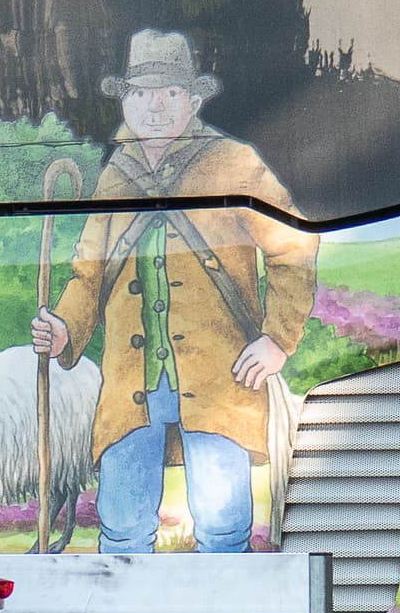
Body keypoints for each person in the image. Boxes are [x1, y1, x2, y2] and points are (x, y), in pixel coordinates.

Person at [27, 30, 312, 553]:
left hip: (220, 375)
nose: (154, 108)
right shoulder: (116, 174)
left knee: (224, 526)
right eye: (141, 95)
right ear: (125, 102)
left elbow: (292, 248)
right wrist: (64, 328)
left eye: (169, 95)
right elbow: (88, 274)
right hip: (131, 384)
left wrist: (276, 339)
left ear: (194, 100)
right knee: (121, 525)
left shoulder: (233, 162)